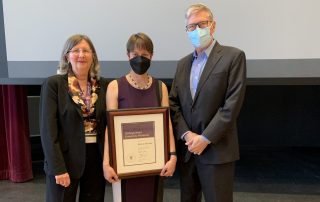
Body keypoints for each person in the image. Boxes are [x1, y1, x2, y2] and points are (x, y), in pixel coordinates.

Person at [169, 3, 246, 202]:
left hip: (217, 150)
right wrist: (187, 135)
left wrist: (205, 138)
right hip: (189, 151)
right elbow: (174, 104)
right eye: (191, 27)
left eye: (201, 24)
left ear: (212, 26)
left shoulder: (233, 57)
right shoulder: (182, 64)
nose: (196, 30)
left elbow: (232, 104)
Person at [103, 32, 177, 202]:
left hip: (154, 164)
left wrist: (172, 156)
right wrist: (106, 163)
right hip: (123, 165)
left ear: (152, 56)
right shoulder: (115, 87)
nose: (140, 59)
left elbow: (167, 126)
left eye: (144, 55)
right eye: (135, 54)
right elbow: (110, 128)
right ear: (127, 55)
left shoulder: (161, 88)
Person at [39, 34, 107, 202]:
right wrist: (58, 168)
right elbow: (48, 131)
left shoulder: (104, 85)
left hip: (96, 159)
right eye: (76, 50)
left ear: (93, 57)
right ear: (66, 56)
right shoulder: (54, 84)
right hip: (65, 160)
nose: (81, 55)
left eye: (86, 51)